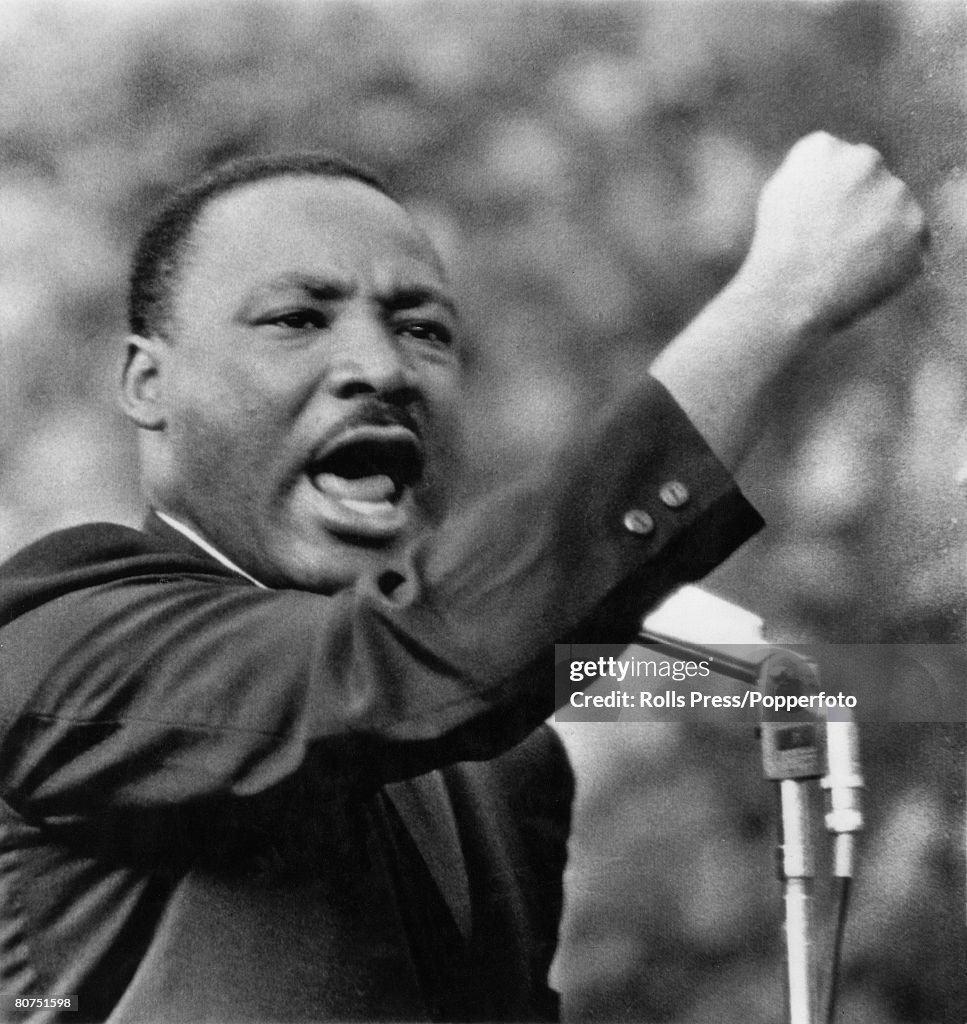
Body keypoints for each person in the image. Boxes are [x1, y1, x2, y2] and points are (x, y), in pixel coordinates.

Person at [0, 133, 925, 1023]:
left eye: (422, 330)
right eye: (295, 320)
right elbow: (414, 658)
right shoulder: (60, 638)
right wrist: (775, 302)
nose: (380, 368)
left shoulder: (504, 769)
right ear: (146, 383)